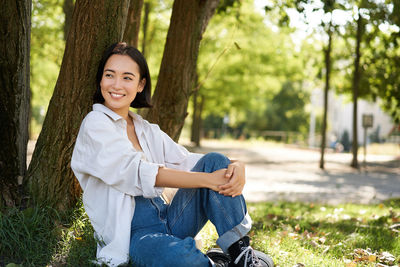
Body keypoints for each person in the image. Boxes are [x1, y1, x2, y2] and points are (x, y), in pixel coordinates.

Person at [71, 42, 274, 267]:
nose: (117, 84)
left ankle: (241, 254)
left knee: (215, 161)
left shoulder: (145, 128)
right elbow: (138, 173)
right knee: (180, 258)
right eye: (110, 75)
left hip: (172, 218)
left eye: (127, 77)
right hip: (136, 236)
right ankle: (215, 263)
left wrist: (237, 165)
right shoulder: (95, 124)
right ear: (101, 80)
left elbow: (187, 161)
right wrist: (209, 180)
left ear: (140, 85)